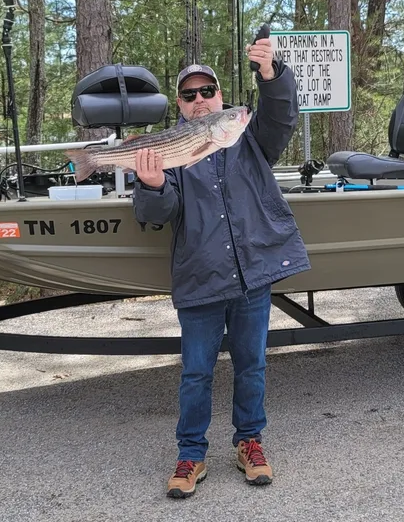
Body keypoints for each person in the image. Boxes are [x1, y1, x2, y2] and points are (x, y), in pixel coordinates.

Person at [131, 38, 309, 499]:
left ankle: (249, 441)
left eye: (206, 91)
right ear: (179, 103)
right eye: (189, 95)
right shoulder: (168, 147)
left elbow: (281, 116)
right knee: (196, 373)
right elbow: (157, 214)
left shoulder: (248, 139)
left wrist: (272, 74)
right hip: (200, 277)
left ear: (221, 97)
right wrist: (151, 183)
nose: (199, 100)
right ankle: (191, 453)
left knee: (252, 365)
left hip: (252, 275)